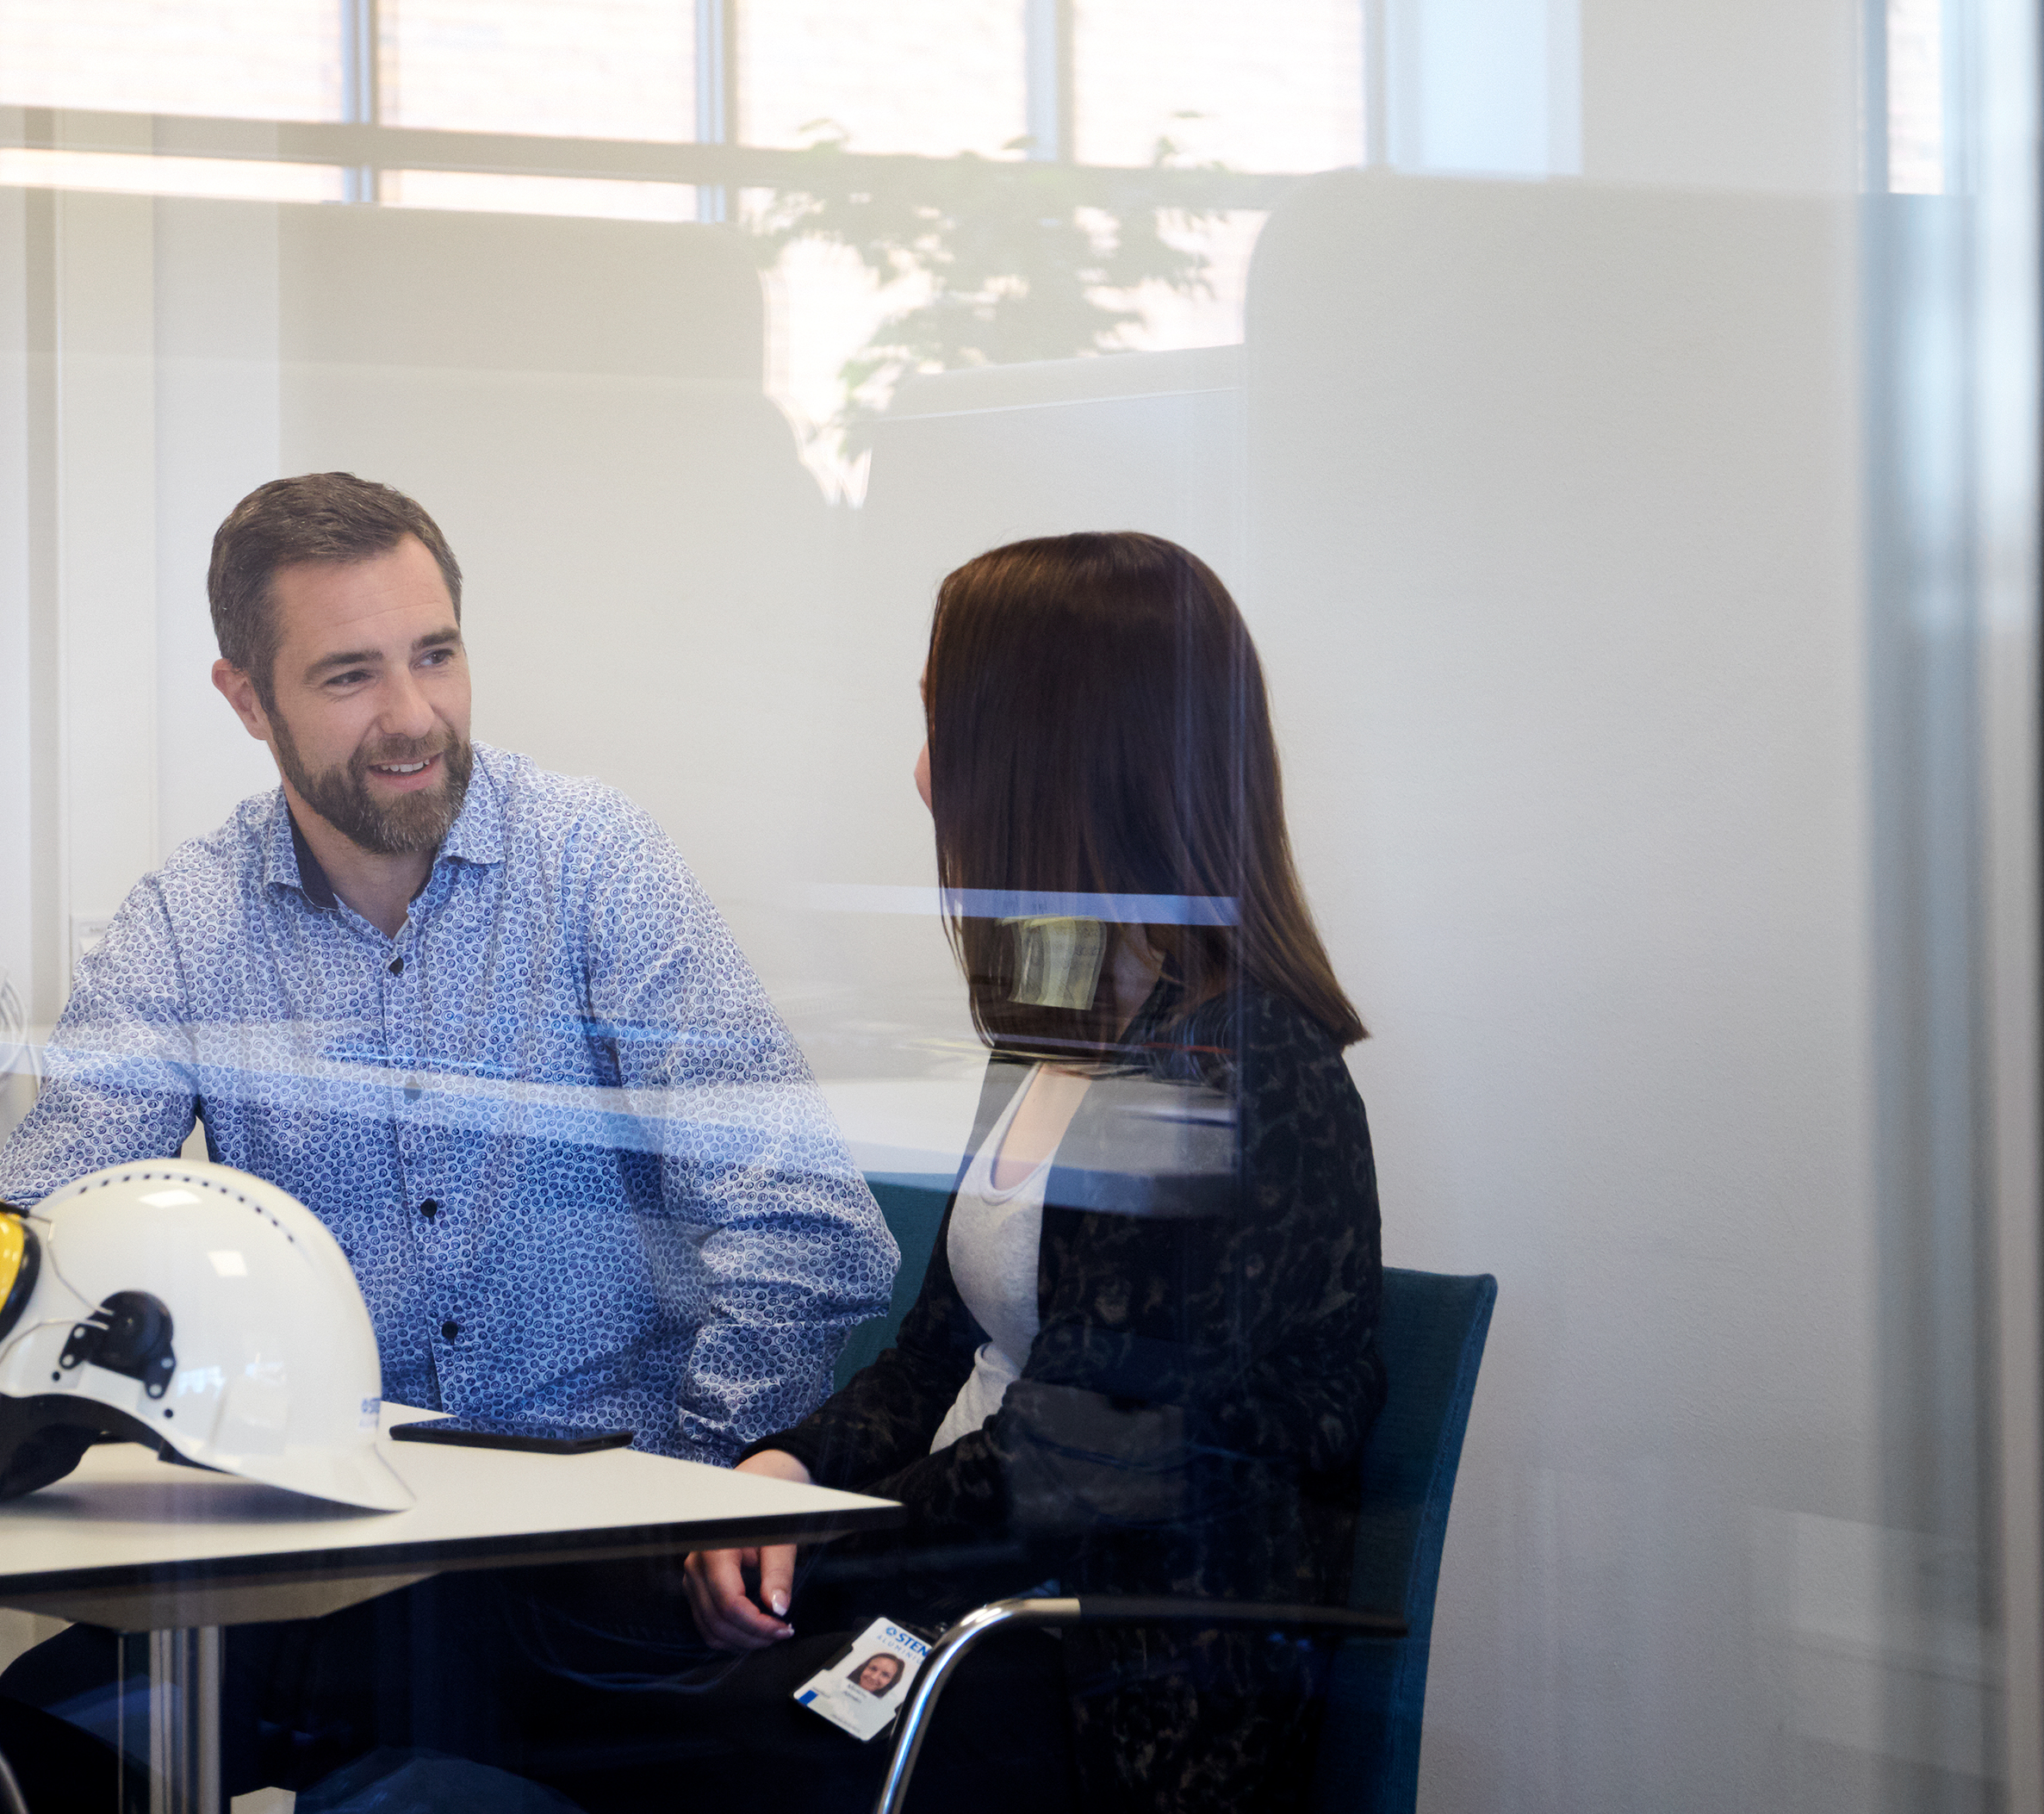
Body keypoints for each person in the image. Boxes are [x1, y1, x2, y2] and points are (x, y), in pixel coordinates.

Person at [0, 471, 895, 1806]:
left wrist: (694, 1487)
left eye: (437, 656)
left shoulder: (596, 866)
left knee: (400, 1761)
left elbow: (811, 1233)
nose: (413, 719)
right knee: (34, 1732)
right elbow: (41, 1238)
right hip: (330, 1541)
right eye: (349, 676)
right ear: (246, 699)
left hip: (588, 1548)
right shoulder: (191, 918)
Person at [494, 530, 1384, 1814]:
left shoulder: (1240, 1071)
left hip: (1106, 1675)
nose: (921, 776)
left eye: (944, 726)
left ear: (1051, 752)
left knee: (647, 1726)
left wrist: (823, 1546)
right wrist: (785, 1471)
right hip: (973, 1592)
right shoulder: (1061, 1006)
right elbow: (933, 1357)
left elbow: (1083, 1464)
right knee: (548, 1628)